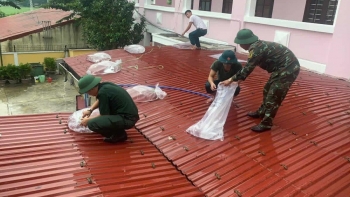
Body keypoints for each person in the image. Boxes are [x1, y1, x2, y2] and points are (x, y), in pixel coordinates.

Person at [220, 29, 300, 132]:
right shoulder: (257, 46)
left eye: (240, 43)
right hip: (280, 69)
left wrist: (230, 80)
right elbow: (247, 70)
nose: (240, 45)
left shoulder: (256, 50)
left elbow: (248, 68)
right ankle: (261, 112)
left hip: (288, 69)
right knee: (267, 89)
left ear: (245, 43)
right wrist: (237, 80)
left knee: (274, 96)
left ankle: (266, 124)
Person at [78, 75, 139, 143]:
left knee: (92, 124)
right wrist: (90, 110)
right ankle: (118, 131)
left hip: (128, 119)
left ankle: (119, 135)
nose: (88, 94)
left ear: (92, 89)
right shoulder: (105, 86)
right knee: (97, 121)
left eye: (87, 92)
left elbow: (104, 115)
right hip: (130, 116)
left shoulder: (102, 93)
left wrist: (87, 120)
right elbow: (100, 100)